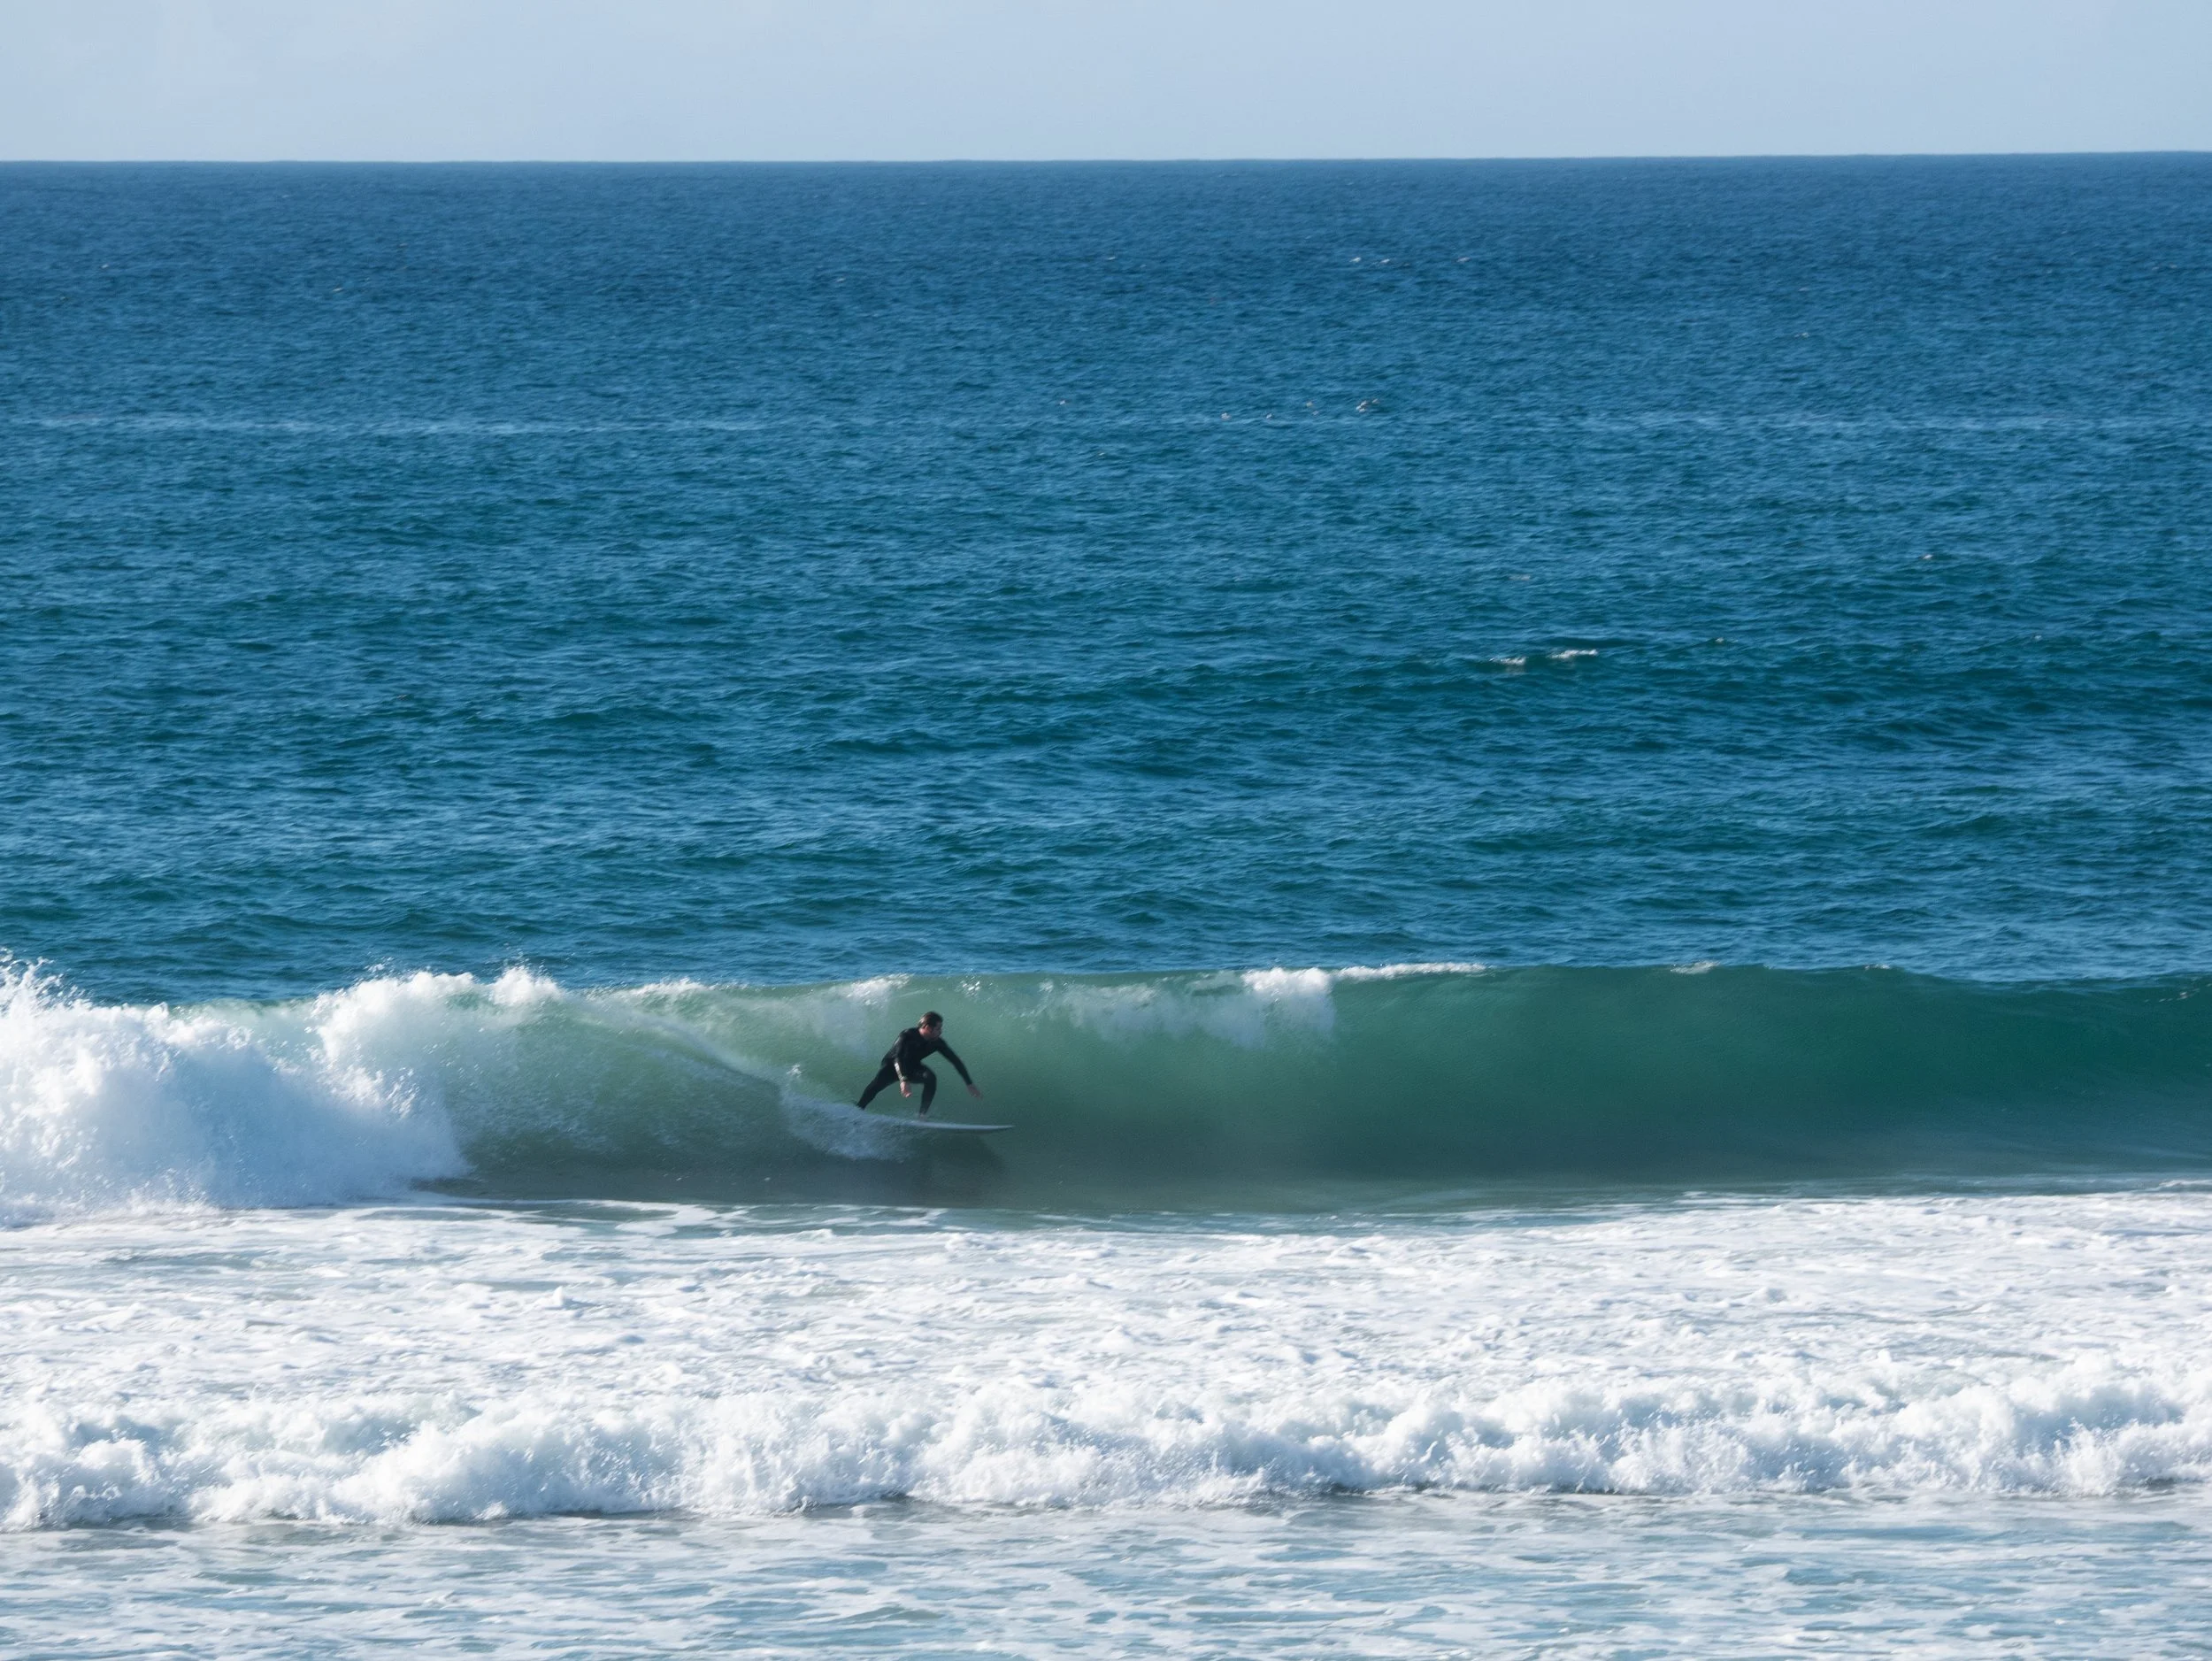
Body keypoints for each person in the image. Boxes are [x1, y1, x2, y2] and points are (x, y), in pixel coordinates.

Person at [856, 1011, 981, 1118]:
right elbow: (898, 1057)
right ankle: (859, 1109)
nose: (941, 1032)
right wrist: (903, 1080)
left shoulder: (937, 1042)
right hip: (892, 1066)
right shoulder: (907, 1035)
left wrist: (969, 1083)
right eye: (938, 1029)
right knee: (876, 1086)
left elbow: (955, 1060)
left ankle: (922, 1115)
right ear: (927, 1027)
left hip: (913, 1067)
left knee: (930, 1077)